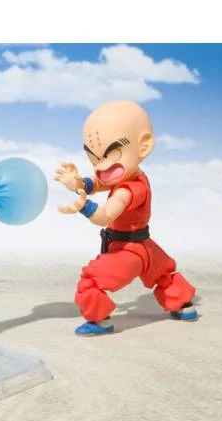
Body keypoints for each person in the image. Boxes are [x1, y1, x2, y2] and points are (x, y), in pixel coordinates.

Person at [54, 100, 198, 336]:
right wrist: (77, 183)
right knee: (164, 274)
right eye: (95, 158)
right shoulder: (132, 176)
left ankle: (100, 321)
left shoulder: (128, 190)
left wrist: (84, 206)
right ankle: (184, 305)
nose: (101, 166)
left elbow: (104, 216)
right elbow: (98, 182)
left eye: (112, 154)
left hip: (128, 251)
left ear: (143, 146)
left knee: (90, 281)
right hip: (147, 247)